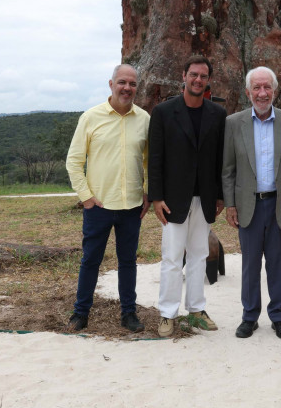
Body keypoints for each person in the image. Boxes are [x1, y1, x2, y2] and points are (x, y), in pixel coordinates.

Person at [65, 64, 150, 333]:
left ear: (137, 87)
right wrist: (87, 198)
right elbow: (74, 161)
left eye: (133, 84)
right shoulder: (90, 118)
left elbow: (149, 161)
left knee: (128, 263)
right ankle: (81, 313)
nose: (127, 88)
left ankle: (129, 314)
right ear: (111, 84)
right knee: (91, 260)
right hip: (99, 206)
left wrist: (148, 193)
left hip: (132, 206)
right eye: (122, 82)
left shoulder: (145, 119)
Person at [148, 55, 227, 337]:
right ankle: (168, 313)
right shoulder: (164, 112)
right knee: (172, 258)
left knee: (199, 255)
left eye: (203, 76)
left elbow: (220, 160)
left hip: (204, 198)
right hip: (173, 199)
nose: (198, 80)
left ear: (208, 80)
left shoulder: (217, 114)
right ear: (183, 76)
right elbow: (155, 159)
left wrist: (220, 196)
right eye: (193, 74)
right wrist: (156, 197)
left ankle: (196, 310)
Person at [221, 66, 281, 340]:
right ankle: (249, 317)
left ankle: (278, 317)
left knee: (277, 264)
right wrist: (230, 204)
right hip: (248, 205)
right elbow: (228, 170)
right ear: (248, 92)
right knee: (250, 264)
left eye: (267, 87)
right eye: (256, 88)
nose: (262, 93)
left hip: (279, 205)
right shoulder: (234, 123)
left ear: (275, 91)